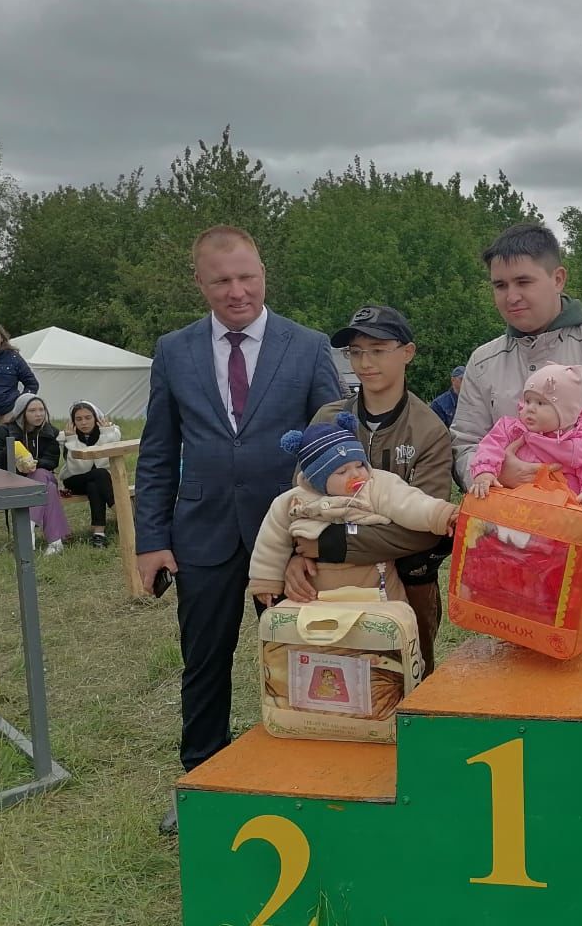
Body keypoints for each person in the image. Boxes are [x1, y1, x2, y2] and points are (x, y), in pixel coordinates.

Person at [134, 225, 341, 835]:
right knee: (204, 661)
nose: (236, 291)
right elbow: (156, 450)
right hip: (201, 536)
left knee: (305, 656)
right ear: (199, 283)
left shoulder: (307, 347)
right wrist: (151, 540)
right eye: (221, 280)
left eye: (246, 276)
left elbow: (332, 450)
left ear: (263, 274)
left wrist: (315, 541)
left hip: (289, 541)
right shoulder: (173, 351)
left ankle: (313, 774)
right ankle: (202, 779)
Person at [451, 223, 582, 644]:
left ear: (558, 278)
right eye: (499, 285)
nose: (511, 296)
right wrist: (499, 473)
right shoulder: (484, 362)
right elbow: (464, 444)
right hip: (510, 553)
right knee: (517, 680)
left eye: (524, 281)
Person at [283, 305, 454, 679]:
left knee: (405, 683)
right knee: (333, 685)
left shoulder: (429, 430)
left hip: (408, 586)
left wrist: (331, 542)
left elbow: (424, 530)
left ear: (407, 352)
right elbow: (299, 503)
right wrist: (295, 556)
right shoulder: (327, 419)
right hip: (326, 584)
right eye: (356, 352)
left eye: (377, 350)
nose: (364, 362)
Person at [248, 412, 458, 608]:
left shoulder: (376, 485)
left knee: (384, 635)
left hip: (375, 586)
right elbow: (271, 541)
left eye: (359, 465)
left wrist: (442, 515)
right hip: (318, 591)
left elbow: (409, 503)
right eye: (342, 471)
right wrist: (266, 580)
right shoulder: (293, 501)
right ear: (317, 480)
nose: (356, 475)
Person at [469, 362, 582, 510]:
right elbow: (490, 446)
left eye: (540, 403)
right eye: (528, 401)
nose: (530, 408)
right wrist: (485, 471)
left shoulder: (579, 444)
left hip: (554, 516)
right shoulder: (512, 429)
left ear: (566, 413)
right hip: (511, 509)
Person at [0, 393, 71, 555]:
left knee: (40, 474)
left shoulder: (49, 432)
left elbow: (52, 461)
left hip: (40, 476)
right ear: (21, 413)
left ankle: (27, 527)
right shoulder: (1, 431)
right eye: (32, 410)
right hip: (11, 481)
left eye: (41, 409)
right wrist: (13, 451)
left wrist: (34, 463)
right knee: (49, 488)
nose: (39, 414)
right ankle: (55, 541)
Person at [58, 401, 121, 547]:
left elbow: (104, 461)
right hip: (74, 480)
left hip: (100, 480)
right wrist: (72, 440)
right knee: (99, 475)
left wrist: (106, 435)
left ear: (96, 418)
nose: (84, 423)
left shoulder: (110, 432)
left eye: (88, 418)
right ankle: (122, 515)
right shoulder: (67, 437)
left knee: (95, 484)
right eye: (78, 419)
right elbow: (78, 469)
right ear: (73, 422)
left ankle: (98, 534)